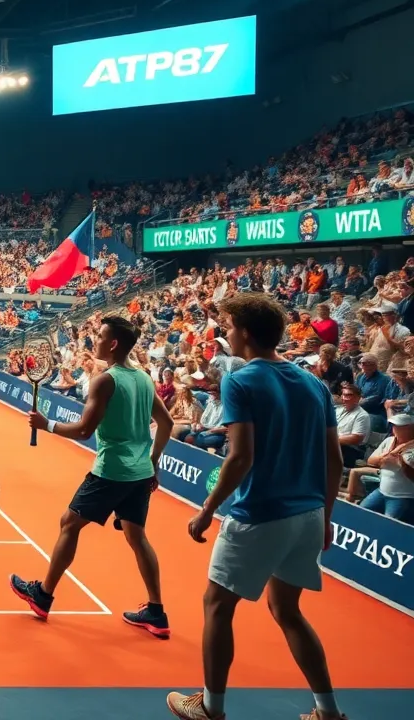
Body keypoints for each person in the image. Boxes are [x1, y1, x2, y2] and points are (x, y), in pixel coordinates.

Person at [168, 293, 348, 720]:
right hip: (307, 515)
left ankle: (210, 708)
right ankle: (328, 711)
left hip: (261, 514)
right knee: (287, 611)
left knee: (216, 605)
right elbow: (334, 459)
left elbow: (241, 455)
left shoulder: (240, 379)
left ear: (245, 332)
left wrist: (208, 508)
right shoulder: (313, 383)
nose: (226, 333)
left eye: (229, 326)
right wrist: (326, 517)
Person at [12, 316, 174, 638]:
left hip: (111, 471)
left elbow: (85, 430)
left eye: (100, 336)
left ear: (113, 344)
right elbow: (167, 423)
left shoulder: (105, 380)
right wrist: (153, 462)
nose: (94, 341)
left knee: (69, 523)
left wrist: (48, 426)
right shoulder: (143, 378)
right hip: (140, 474)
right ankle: (156, 612)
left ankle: (42, 595)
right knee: (137, 537)